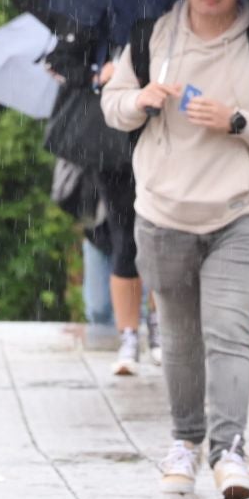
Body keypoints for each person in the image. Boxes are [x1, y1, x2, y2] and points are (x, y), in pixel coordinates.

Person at [100, 0, 249, 499]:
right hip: (163, 213)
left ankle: (229, 451)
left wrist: (236, 120)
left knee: (227, 333)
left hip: (240, 214)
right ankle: (184, 443)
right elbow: (112, 105)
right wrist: (139, 99)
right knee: (180, 338)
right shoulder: (152, 38)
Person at [43, 29, 159, 368]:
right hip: (108, 146)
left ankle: (156, 324)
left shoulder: (166, 19)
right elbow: (60, 62)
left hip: (156, 139)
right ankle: (129, 335)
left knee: (159, 237)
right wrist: (99, 74)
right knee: (125, 238)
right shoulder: (96, 17)